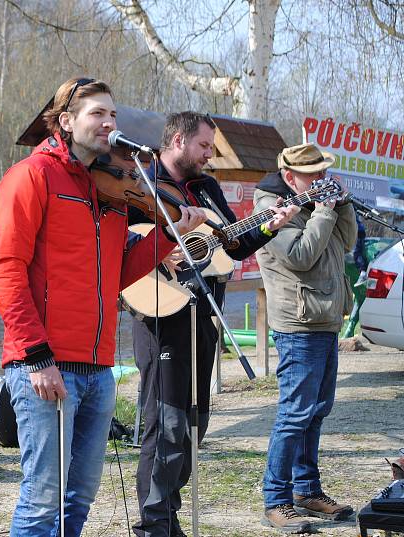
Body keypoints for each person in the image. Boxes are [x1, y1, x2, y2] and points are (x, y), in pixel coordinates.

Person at [0, 78, 208, 537]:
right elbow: (4, 270)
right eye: (97, 114)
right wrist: (36, 356)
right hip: (46, 365)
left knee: (78, 499)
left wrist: (168, 235)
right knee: (43, 497)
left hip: (97, 368)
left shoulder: (111, 188)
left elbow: (121, 272)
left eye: (112, 114)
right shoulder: (30, 176)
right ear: (66, 122)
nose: (109, 122)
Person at [129, 111, 299, 537]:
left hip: (202, 314)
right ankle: (154, 525)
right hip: (159, 313)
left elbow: (231, 245)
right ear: (177, 141)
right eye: (204, 146)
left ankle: (169, 515)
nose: (209, 154)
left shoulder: (205, 188)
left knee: (194, 421)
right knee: (165, 424)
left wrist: (268, 228)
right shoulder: (141, 183)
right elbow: (124, 240)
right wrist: (158, 247)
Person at [253, 142, 356, 533]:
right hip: (298, 323)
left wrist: (341, 205)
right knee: (294, 415)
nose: (320, 180)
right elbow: (301, 255)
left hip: (325, 318)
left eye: (323, 173)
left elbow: (346, 243)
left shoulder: (316, 200)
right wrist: (325, 211)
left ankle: (306, 490)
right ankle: (276, 499)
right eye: (312, 175)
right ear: (289, 175)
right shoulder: (271, 208)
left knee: (317, 411)